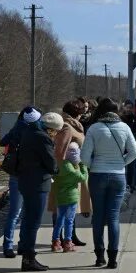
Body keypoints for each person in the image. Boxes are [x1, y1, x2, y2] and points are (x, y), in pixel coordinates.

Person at [82, 98, 136, 269]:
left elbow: (84, 158)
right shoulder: (124, 127)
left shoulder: (94, 128)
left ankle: (99, 256)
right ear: (117, 112)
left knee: (98, 216)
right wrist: (121, 163)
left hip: (97, 176)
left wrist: (95, 166)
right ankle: (113, 258)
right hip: (118, 177)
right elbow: (135, 152)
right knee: (113, 217)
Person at [16, 112, 63, 271]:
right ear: (51, 129)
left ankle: (27, 255)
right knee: (34, 222)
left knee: (28, 219)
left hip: (25, 181)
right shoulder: (43, 138)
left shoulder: (28, 131)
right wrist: (56, 170)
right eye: (55, 132)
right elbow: (51, 163)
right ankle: (29, 259)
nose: (55, 134)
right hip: (38, 183)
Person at [0, 106, 41, 258]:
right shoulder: (34, 131)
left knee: (14, 213)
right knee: (27, 212)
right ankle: (22, 245)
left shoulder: (16, 128)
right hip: (29, 175)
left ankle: (8, 246)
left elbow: (2, 142)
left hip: (15, 174)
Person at [48, 101, 90, 246]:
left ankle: (69, 236)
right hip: (69, 170)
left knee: (71, 205)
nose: (82, 115)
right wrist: (67, 167)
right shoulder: (66, 126)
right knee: (63, 206)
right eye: (80, 112)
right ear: (75, 114)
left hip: (73, 167)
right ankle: (62, 238)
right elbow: (60, 151)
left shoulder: (72, 125)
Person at [51, 143, 89, 252]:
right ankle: (68, 243)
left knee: (59, 220)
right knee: (69, 220)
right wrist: (83, 166)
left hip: (60, 197)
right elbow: (83, 178)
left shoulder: (58, 165)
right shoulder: (72, 170)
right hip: (71, 198)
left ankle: (55, 242)